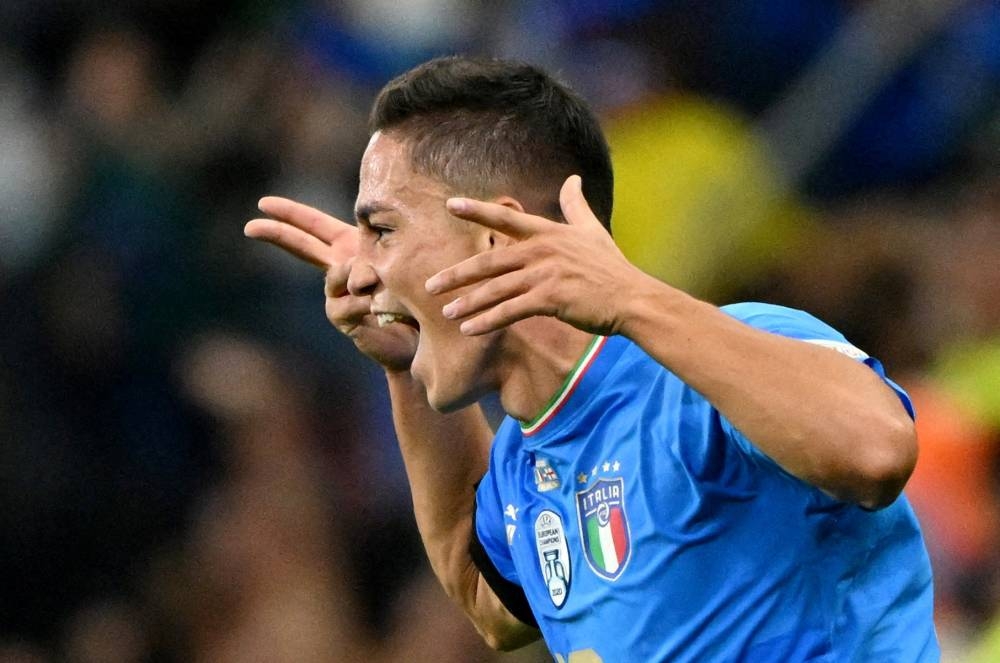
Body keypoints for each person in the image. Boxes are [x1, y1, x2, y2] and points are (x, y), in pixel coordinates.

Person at [245, 56, 939, 662]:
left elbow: (876, 450)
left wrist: (630, 297)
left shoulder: (716, 363)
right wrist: (401, 356)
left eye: (383, 230)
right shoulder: (526, 454)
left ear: (493, 237)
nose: (358, 272)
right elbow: (490, 601)